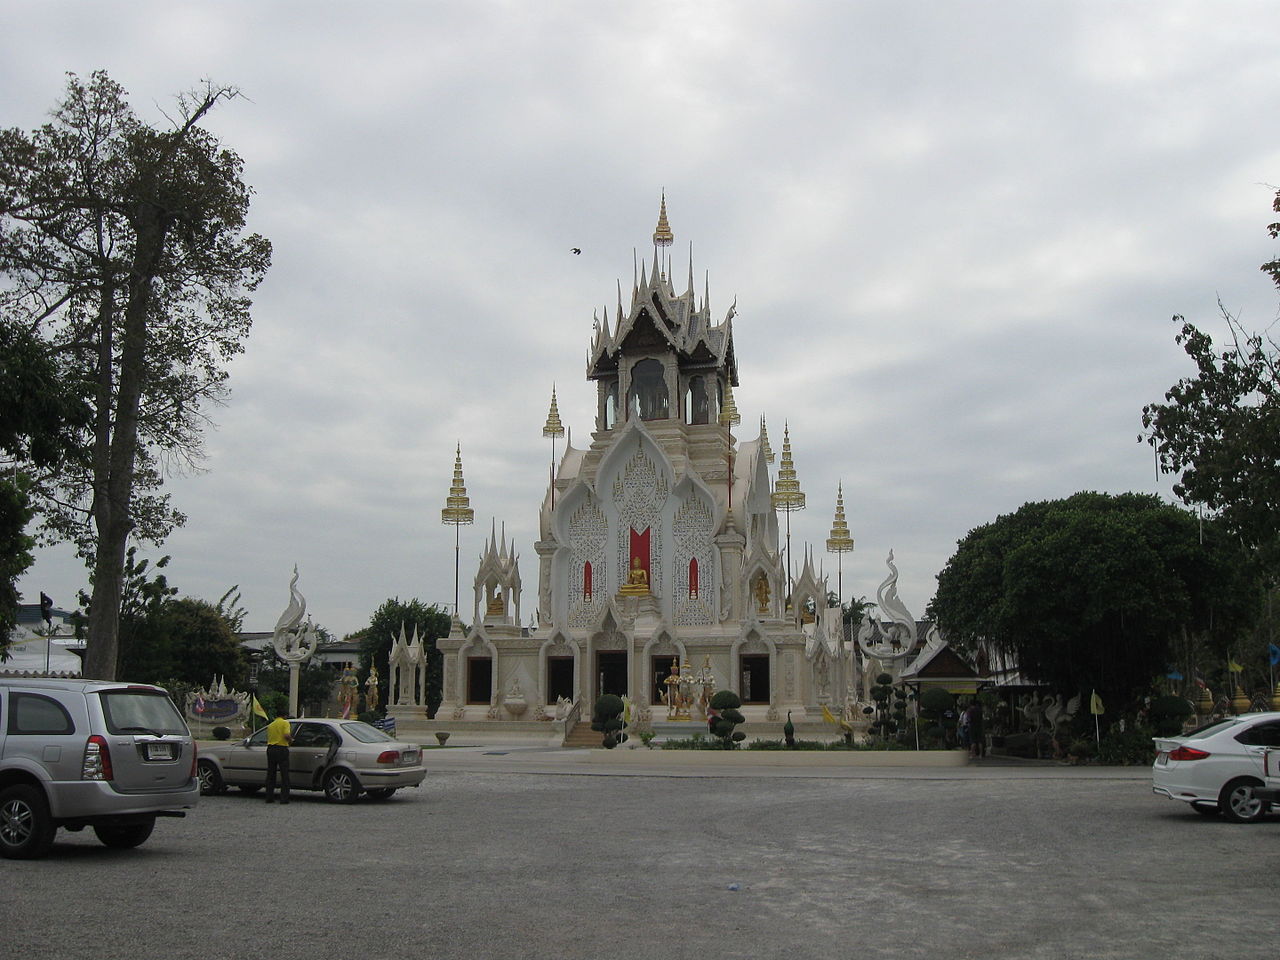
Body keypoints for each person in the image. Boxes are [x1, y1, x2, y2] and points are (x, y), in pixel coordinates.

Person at [265, 713, 292, 804]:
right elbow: (286, 735)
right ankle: (284, 798)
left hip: (271, 749)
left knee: (271, 774)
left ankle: (269, 797)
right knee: (284, 774)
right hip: (281, 749)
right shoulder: (285, 723)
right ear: (284, 716)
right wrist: (291, 740)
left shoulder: (271, 725)